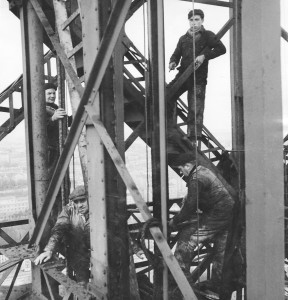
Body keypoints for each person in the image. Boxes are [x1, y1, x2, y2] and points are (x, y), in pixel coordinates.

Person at [34, 185, 145, 286]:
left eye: (82, 201)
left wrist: (136, 249)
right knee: (82, 284)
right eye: (76, 202)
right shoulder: (68, 210)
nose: (79, 205)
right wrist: (49, 249)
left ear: (90, 199)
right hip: (78, 252)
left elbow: (118, 231)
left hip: (99, 253)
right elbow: (59, 229)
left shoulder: (100, 211)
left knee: (106, 283)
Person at [168, 152, 234, 292]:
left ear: (187, 166)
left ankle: (183, 284)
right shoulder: (203, 170)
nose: (180, 172)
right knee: (221, 249)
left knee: (187, 239)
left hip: (218, 214)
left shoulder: (196, 178)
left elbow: (191, 205)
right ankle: (218, 283)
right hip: (229, 214)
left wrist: (175, 221)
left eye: (181, 169)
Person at [167, 9, 226, 143]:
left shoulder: (208, 35)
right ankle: (169, 128)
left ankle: (192, 140)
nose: (194, 23)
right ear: (189, 21)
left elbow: (222, 49)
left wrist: (204, 56)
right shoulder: (183, 38)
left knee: (195, 109)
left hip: (198, 78)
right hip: (182, 76)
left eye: (197, 20)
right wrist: (173, 62)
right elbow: (176, 54)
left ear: (202, 20)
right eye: (192, 20)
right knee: (167, 95)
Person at [45, 82, 71, 177]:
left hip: (59, 147)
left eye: (53, 93)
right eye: (49, 93)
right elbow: (40, 130)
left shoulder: (55, 108)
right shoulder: (39, 109)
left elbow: (67, 122)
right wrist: (52, 119)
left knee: (61, 175)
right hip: (49, 150)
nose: (52, 96)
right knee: (52, 176)